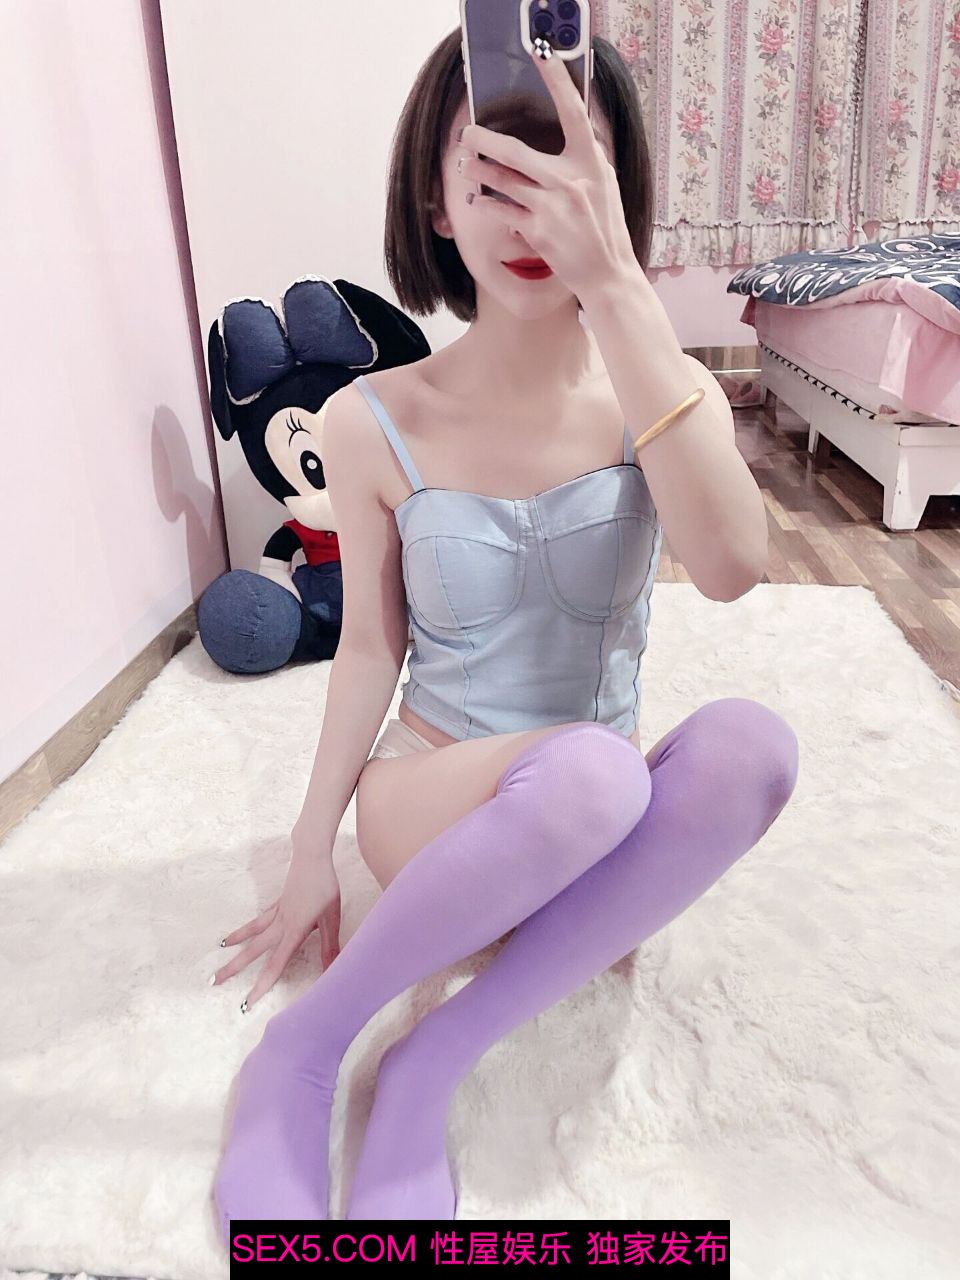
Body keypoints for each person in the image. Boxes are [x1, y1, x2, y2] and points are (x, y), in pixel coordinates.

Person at [210, 30, 799, 1233]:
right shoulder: (372, 417)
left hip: (590, 819)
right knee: (590, 772)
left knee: (751, 746)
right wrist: (313, 848)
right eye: (495, 177)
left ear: (616, 195)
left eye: (569, 176)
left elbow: (735, 565)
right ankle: (307, 1049)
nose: (533, 216)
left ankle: (431, 1054)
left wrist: (623, 293)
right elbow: (368, 649)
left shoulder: (658, 389)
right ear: (436, 200)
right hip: (436, 800)